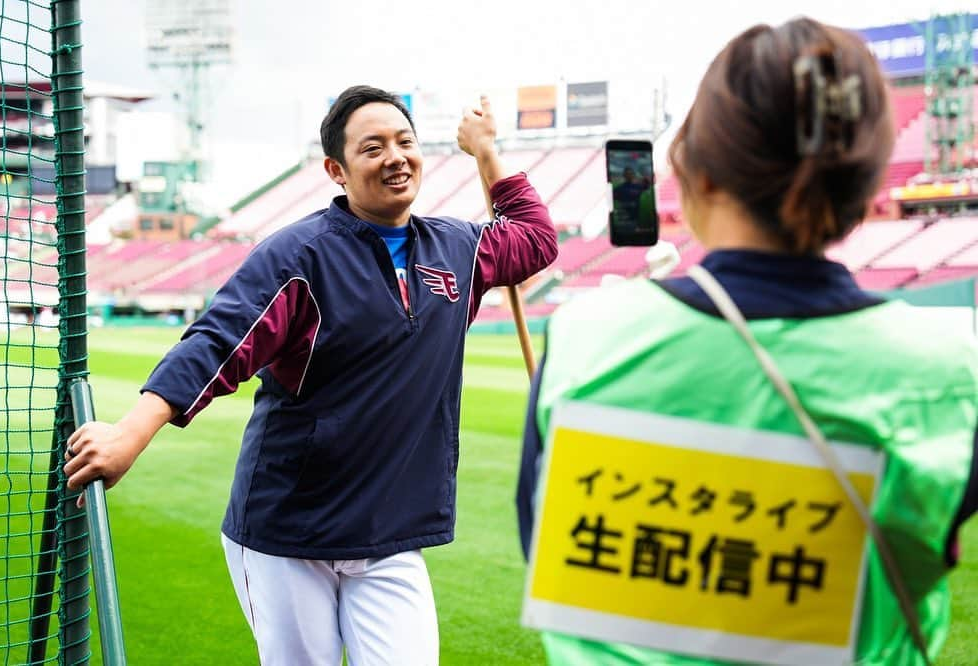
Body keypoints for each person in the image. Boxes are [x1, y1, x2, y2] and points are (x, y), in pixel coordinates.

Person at [517, 18, 976, 666]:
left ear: (699, 175)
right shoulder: (953, 373)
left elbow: (541, 546)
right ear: (864, 190)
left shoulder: (583, 338)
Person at [64, 85, 558, 665]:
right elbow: (219, 343)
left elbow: (536, 237)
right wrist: (130, 433)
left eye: (405, 142)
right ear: (337, 170)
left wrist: (486, 152)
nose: (395, 157)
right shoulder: (298, 256)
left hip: (389, 536)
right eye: (372, 148)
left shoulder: (459, 249)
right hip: (289, 534)